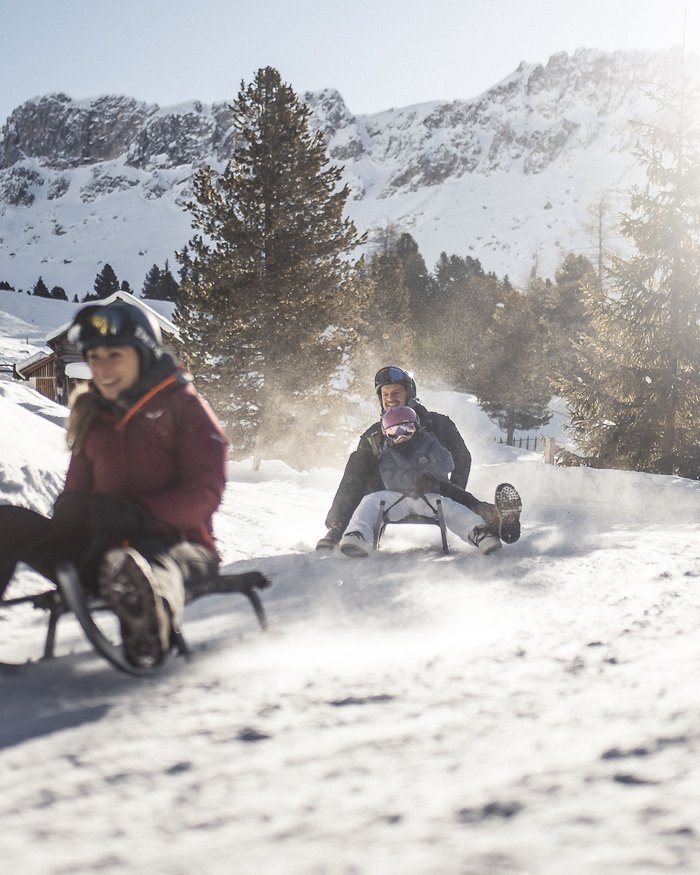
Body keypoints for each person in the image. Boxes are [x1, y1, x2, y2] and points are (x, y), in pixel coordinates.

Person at [0, 301, 228, 669]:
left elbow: (205, 493)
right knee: (6, 523)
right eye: (94, 358)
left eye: (114, 355)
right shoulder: (95, 414)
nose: (102, 369)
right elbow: (77, 486)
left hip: (177, 545)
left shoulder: (185, 409)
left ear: (143, 353)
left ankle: (149, 627)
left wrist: (138, 515)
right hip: (100, 550)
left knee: (152, 563)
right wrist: (71, 509)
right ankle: (130, 586)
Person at [317, 365, 518, 549]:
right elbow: (357, 477)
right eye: (385, 394)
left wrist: (453, 490)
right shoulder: (374, 434)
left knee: (453, 494)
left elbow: (461, 457)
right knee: (357, 459)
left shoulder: (437, 423)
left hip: (431, 487)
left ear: (409, 393)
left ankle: (498, 522)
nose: (390, 398)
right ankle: (340, 527)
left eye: (396, 392)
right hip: (387, 491)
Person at [339, 406, 502, 557]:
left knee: (448, 506)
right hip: (396, 497)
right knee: (370, 501)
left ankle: (479, 533)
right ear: (386, 434)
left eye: (406, 429)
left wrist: (429, 477)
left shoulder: (429, 443)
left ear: (416, 427)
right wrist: (414, 481)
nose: (400, 436)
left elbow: (445, 461)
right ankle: (357, 534)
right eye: (393, 431)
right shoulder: (387, 453)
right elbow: (389, 477)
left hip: (427, 494)